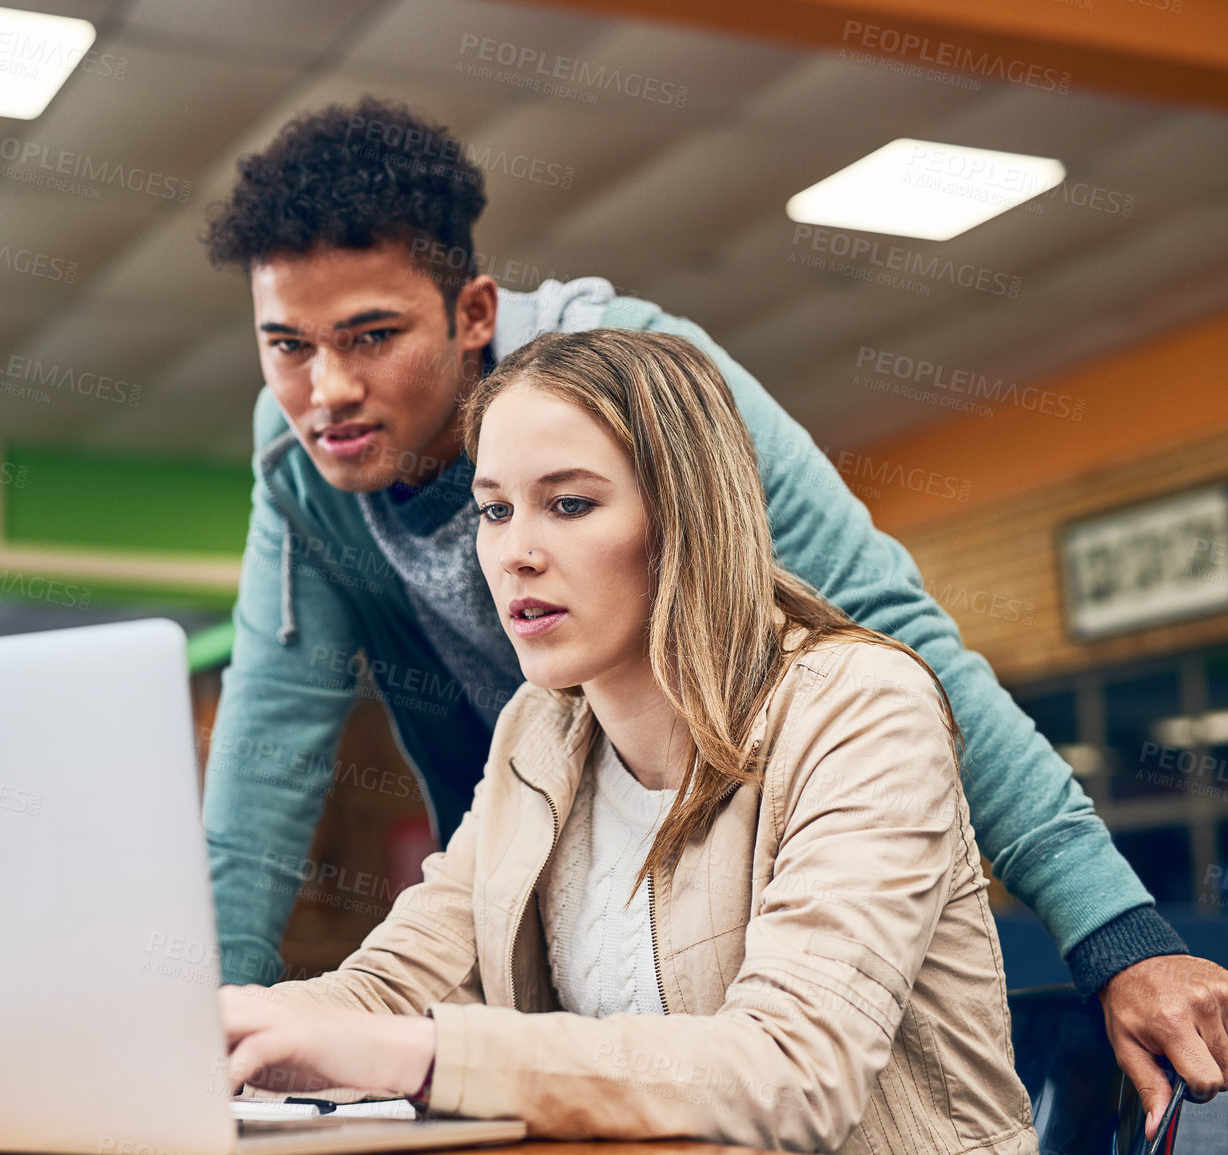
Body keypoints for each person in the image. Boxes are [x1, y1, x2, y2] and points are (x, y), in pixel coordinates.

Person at [197, 95, 1228, 1127]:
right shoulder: (528, 729)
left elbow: (897, 647)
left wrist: (1117, 936)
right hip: (573, 796)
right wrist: (200, 1029)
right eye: (491, 509)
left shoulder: (660, 405)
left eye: (371, 336)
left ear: (472, 314)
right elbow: (268, 750)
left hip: (755, 812)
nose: (325, 389)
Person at [219, 328, 1038, 1153]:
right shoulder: (538, 729)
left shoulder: (859, 710)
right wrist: (235, 1026)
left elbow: (792, 1072)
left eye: (569, 504)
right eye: (494, 509)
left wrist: (423, 1055)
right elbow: (400, 983)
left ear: (686, 515)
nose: (514, 554)